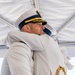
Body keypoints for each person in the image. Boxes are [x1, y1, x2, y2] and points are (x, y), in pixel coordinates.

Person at [1, 8, 67, 75]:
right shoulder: (18, 47)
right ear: (27, 28)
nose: (43, 28)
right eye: (38, 25)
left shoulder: (32, 49)